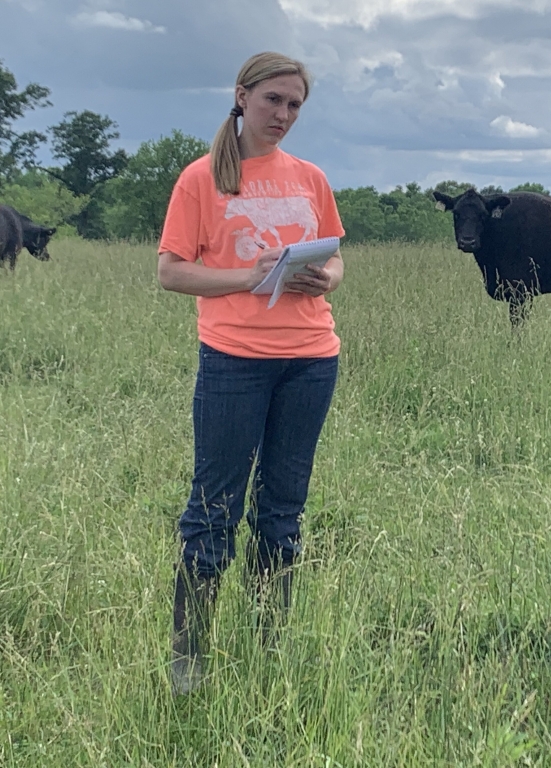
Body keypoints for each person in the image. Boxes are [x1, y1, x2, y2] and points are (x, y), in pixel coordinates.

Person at [157, 51, 345, 695]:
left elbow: (336, 258)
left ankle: (269, 646)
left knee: (283, 508)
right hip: (235, 358)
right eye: (274, 101)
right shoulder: (201, 178)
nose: (285, 115)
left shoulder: (311, 178)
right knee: (213, 507)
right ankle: (189, 659)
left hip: (312, 357)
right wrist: (249, 276)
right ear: (242, 96)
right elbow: (171, 270)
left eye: (296, 105)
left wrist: (323, 276)